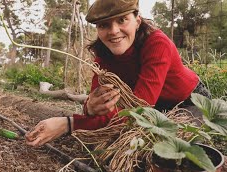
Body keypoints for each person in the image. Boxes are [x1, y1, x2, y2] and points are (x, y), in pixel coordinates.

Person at [25, 0, 211, 147]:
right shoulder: (104, 57)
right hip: (154, 108)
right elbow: (97, 107)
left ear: (137, 21)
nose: (114, 31)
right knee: (124, 139)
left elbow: (139, 113)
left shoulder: (156, 44)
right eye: (104, 25)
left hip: (189, 102)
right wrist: (90, 108)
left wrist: (68, 124)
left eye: (122, 20)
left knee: (170, 147)